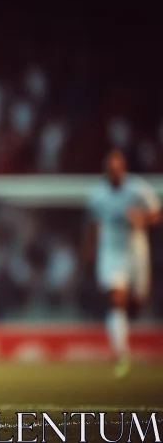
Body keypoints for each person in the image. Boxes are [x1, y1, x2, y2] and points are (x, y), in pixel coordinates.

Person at [85, 149, 161, 378]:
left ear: (124, 168)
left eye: (118, 169)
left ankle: (132, 314)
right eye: (110, 169)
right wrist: (88, 249)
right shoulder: (98, 194)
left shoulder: (138, 189)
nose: (114, 173)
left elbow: (158, 213)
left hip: (136, 253)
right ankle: (121, 353)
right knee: (116, 298)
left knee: (136, 302)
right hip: (111, 252)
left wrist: (143, 219)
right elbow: (93, 223)